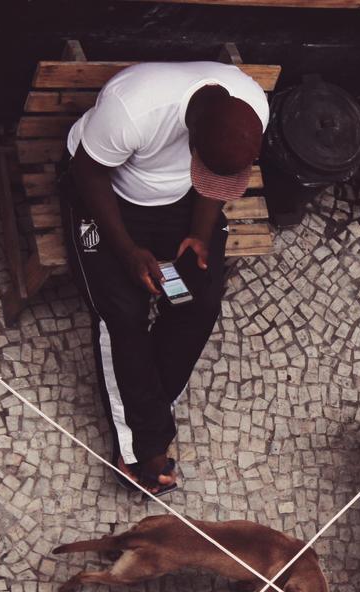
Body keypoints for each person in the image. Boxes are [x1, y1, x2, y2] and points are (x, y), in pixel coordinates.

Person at [62, 62, 268, 495]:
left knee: (200, 301)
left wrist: (198, 232)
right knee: (123, 314)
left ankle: (147, 417)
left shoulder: (251, 106)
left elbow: (214, 183)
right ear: (190, 138)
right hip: (108, 195)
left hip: (179, 204)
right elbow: (88, 174)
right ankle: (144, 445)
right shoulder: (133, 109)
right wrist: (128, 251)